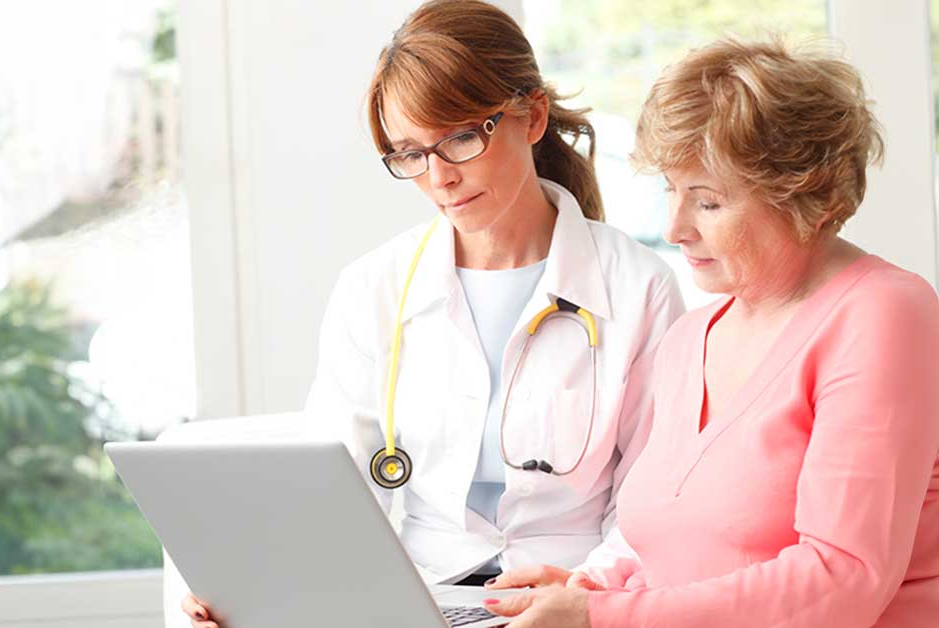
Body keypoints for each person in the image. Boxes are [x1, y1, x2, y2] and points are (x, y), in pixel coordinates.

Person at [181, 1, 685, 624]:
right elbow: (329, 495)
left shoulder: (639, 289)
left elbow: (650, 507)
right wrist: (254, 586)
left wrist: (584, 594)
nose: (439, 176)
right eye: (411, 154)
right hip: (416, 601)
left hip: (573, 601)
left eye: (461, 138)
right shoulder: (375, 290)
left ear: (532, 116)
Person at [480, 37, 939, 628]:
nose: (675, 228)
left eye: (709, 202)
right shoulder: (692, 336)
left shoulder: (884, 314)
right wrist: (590, 586)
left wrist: (604, 616)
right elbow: (685, 554)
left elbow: (841, 580)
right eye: (671, 191)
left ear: (805, 193)